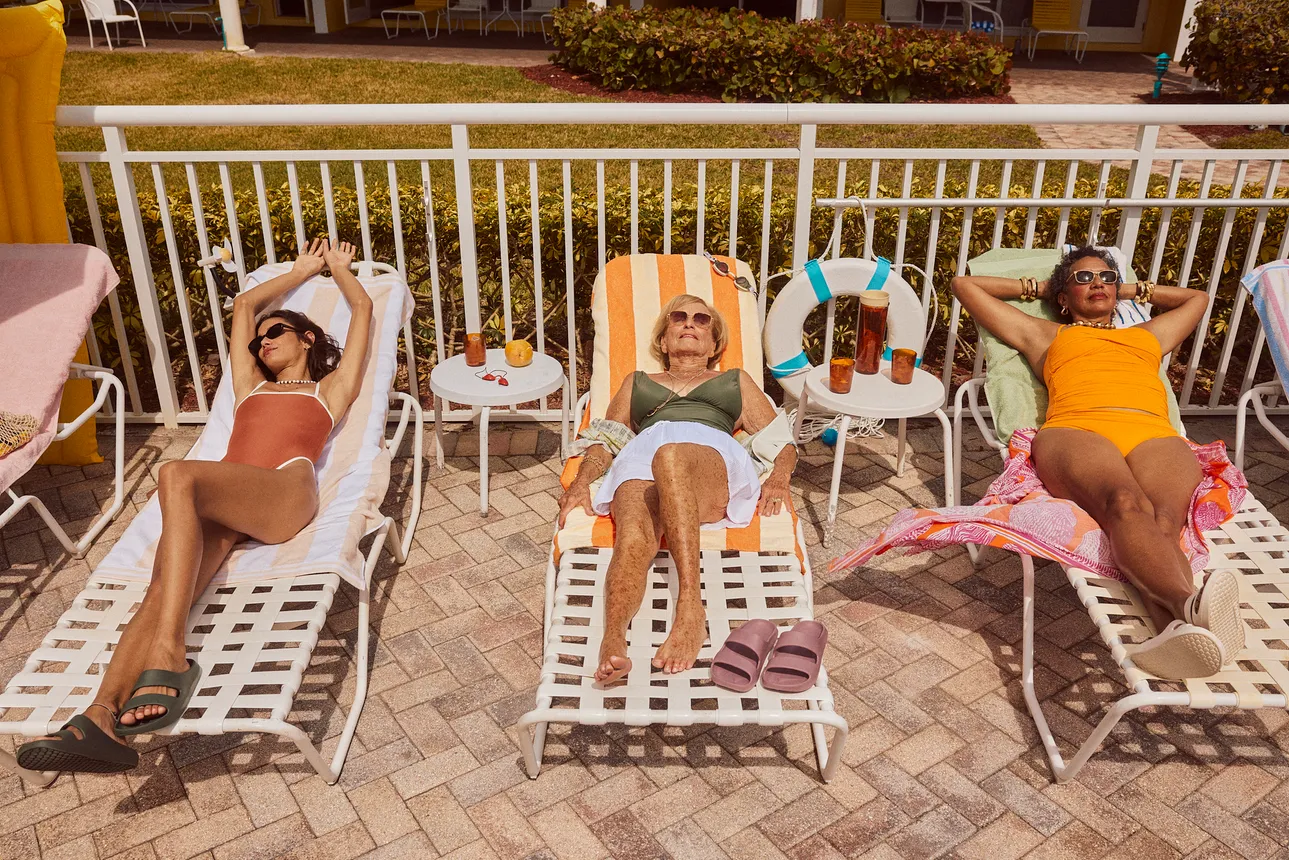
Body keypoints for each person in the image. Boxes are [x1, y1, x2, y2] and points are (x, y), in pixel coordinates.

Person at [17, 238, 373, 774]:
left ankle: (170, 655)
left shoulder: (329, 390)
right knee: (161, 592)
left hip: (280, 494)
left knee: (176, 472)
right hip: (220, 500)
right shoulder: (249, 387)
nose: (262, 344)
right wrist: (296, 272)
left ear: (308, 337)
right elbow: (244, 307)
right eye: (257, 343)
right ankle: (96, 719)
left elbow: (364, 308)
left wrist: (336, 271)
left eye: (276, 333)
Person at [950, 245, 1243, 680]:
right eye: (1083, 279)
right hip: (1078, 429)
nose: (1098, 284)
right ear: (1063, 298)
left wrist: (1124, 289)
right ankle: (1190, 603)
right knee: (1124, 504)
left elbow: (1196, 298)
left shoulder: (1148, 335)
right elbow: (964, 285)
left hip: (1154, 434)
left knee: (1166, 526)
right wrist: (1045, 288)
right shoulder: (1044, 334)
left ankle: (1175, 635)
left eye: (1105, 277)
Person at [557, 294, 796, 686]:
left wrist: (779, 476)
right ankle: (613, 638)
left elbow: (782, 440)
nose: (690, 323)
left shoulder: (734, 380)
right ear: (664, 340)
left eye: (702, 320)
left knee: (669, 455)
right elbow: (607, 439)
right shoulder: (637, 381)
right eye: (679, 317)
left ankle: (690, 606)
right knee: (632, 539)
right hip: (639, 457)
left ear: (713, 343)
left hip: (710, 460)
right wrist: (581, 482)